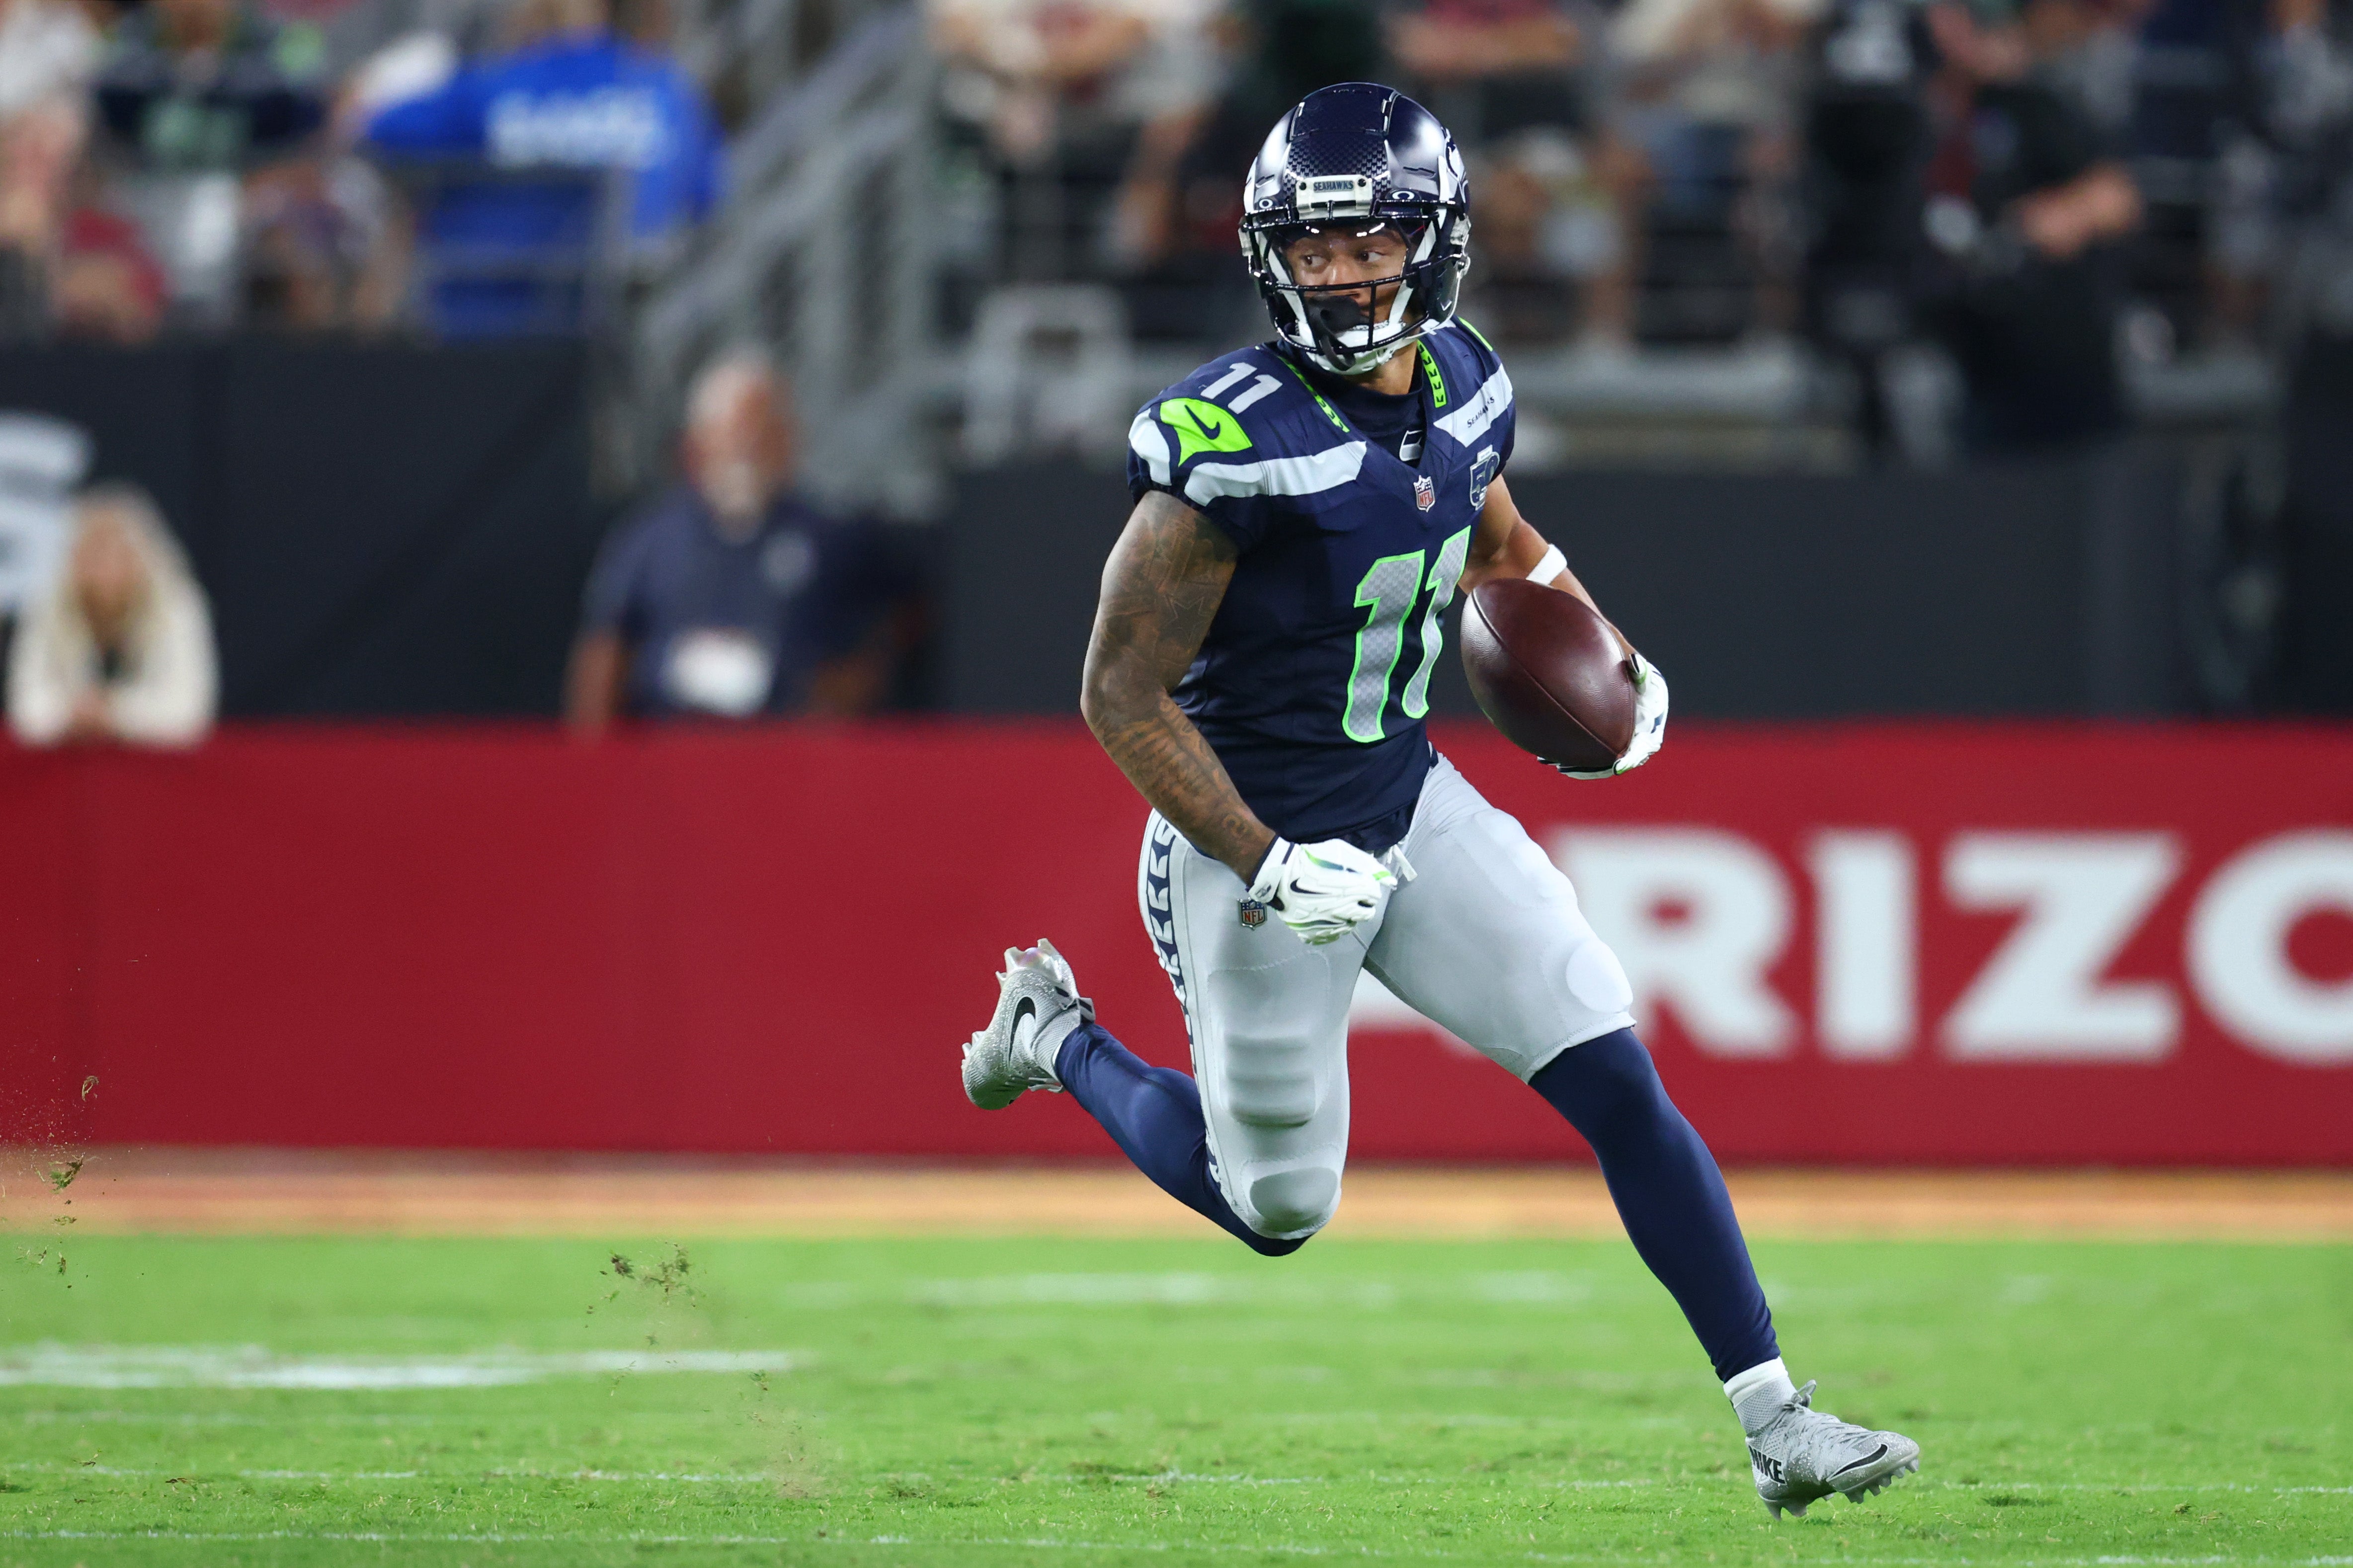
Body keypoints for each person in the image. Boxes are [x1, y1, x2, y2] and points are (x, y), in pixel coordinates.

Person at [956, 82, 1921, 1519]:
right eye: (1317, 245)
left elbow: (1502, 547)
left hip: (1404, 799)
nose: (1342, 271)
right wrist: (1268, 860)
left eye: (1371, 240)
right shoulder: (1226, 448)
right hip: (1247, 841)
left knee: (1610, 1065)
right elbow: (1117, 694)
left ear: (1433, 241)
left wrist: (1607, 654)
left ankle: (1774, 1418)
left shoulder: (1464, 380)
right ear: (1270, 255)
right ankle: (1059, 1036)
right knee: (1274, 1207)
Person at [565, 350, 910, 730]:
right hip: (668, 744)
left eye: (763, 435)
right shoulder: (650, 539)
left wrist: (835, 707)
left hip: (784, 750)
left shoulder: (830, 536)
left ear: (788, 440)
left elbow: (888, 625)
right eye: (735, 434)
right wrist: (594, 753)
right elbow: (606, 641)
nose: (747, 451)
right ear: (698, 444)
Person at [1917, 0, 2143, 452]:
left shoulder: (2029, 106)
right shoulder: (1908, 115)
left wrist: (2050, 219)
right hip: (1957, 357)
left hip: (2052, 358)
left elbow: (2117, 198)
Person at [7, 484, 218, 747]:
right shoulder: (46, 600)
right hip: (67, 777)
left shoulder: (177, 605)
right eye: (92, 551)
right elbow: (26, 711)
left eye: (118, 552)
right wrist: (73, 715)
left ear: (143, 556)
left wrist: (114, 713)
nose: (105, 567)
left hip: (155, 779)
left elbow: (188, 714)